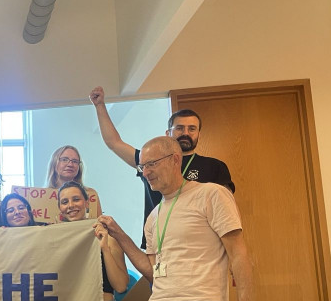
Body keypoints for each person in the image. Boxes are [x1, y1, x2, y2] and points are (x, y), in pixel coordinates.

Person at [97, 136, 260, 301]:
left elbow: (239, 254)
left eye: (151, 164)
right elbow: (152, 270)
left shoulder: (211, 194)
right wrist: (119, 235)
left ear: (175, 159)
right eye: (142, 167)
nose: (146, 172)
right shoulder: (153, 216)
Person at [89, 86, 234, 246]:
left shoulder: (215, 166)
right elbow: (114, 142)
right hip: (158, 242)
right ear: (168, 133)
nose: (185, 133)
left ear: (199, 134)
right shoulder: (150, 162)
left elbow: (227, 213)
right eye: (179, 128)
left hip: (198, 245)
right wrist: (100, 106)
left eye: (192, 129)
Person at [58, 181, 132, 301]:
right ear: (59, 208)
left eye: (76, 199)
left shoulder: (108, 236)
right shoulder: (56, 239)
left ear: (86, 202)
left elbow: (121, 285)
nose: (71, 205)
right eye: (64, 202)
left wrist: (105, 248)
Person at [46, 145, 102, 218]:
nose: (70, 164)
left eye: (75, 161)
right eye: (64, 159)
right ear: (54, 163)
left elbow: (100, 224)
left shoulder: (90, 194)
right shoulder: (43, 197)